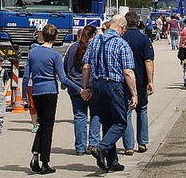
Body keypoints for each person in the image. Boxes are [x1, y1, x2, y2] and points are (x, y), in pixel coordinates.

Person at [81, 13, 137, 173]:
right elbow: (128, 72)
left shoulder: (95, 41)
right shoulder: (121, 44)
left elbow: (86, 67)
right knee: (120, 123)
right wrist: (134, 93)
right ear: (122, 27)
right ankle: (102, 148)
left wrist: (85, 87)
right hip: (113, 86)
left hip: (97, 85)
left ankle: (112, 162)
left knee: (107, 123)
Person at [22, 23, 76, 175]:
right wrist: (79, 89)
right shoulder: (55, 55)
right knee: (48, 127)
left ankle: (35, 155)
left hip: (36, 91)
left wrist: (24, 96)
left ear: (42, 35)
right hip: (50, 91)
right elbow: (63, 78)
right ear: (56, 37)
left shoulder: (33, 52)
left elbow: (26, 76)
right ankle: (45, 162)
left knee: (41, 124)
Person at [63, 25, 101, 156]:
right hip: (91, 87)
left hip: (75, 87)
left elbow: (65, 66)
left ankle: (80, 147)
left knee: (80, 116)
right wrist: (87, 88)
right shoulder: (95, 48)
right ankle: (94, 144)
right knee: (96, 115)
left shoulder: (72, 47)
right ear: (93, 35)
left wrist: (79, 88)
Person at [122, 11, 154, 156]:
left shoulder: (121, 38)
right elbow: (148, 61)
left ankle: (128, 146)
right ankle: (142, 142)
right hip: (140, 80)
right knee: (142, 110)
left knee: (127, 112)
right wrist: (151, 80)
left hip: (123, 80)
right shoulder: (144, 39)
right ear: (138, 22)